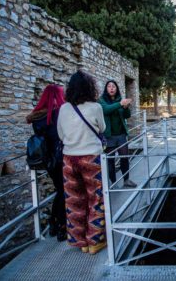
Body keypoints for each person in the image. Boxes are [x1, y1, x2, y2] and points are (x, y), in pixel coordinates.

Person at [57, 70, 107, 254]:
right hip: (91, 158)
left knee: (74, 201)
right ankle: (94, 241)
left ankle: (81, 243)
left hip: (69, 159)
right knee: (96, 198)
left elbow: (61, 135)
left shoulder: (63, 108)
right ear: (90, 87)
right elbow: (102, 128)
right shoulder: (96, 107)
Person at [26, 84, 67, 242]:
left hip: (47, 160)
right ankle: (60, 226)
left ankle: (53, 222)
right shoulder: (58, 113)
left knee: (59, 190)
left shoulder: (37, 117)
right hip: (60, 157)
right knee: (63, 191)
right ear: (58, 96)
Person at [98, 80, 136, 187]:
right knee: (110, 160)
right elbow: (106, 110)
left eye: (113, 86)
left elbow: (127, 115)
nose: (111, 88)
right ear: (106, 89)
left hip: (121, 135)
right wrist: (120, 104)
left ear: (116, 89)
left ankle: (126, 180)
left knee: (124, 157)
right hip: (109, 136)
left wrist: (125, 107)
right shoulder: (101, 101)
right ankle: (113, 183)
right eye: (109, 86)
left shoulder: (120, 99)